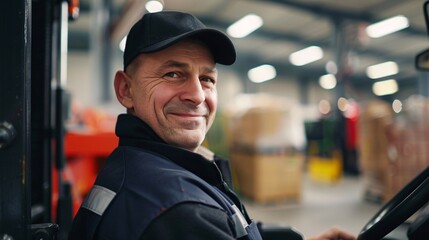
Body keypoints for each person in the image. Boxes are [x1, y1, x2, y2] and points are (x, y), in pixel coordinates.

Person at [69, 11, 356, 240]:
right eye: (172, 74)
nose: (196, 96)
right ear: (126, 90)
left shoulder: (143, 168)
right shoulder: (180, 211)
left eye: (207, 79)